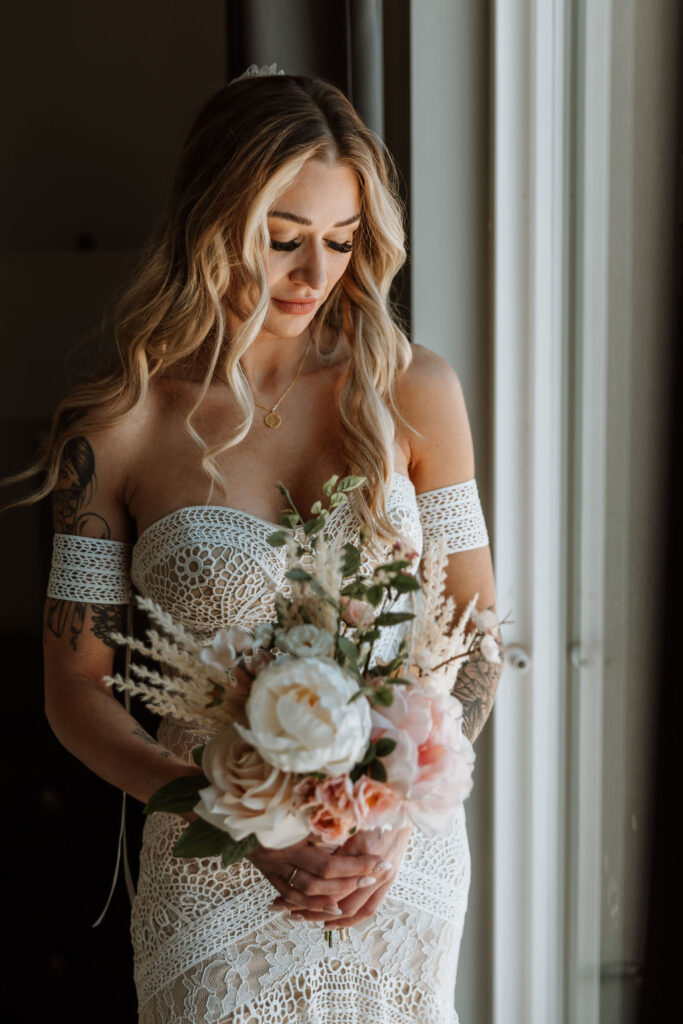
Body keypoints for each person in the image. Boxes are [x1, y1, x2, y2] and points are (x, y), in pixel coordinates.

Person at [7, 67, 502, 1023]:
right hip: (211, 868)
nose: (315, 277)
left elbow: (475, 625)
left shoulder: (416, 391)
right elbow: (74, 687)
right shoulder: (117, 427)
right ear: (212, 223)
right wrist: (221, 818)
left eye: (340, 241)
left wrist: (397, 808)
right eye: (282, 243)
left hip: (394, 862)